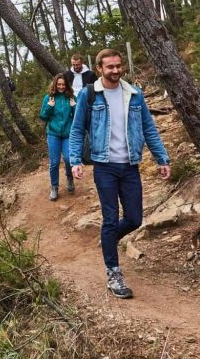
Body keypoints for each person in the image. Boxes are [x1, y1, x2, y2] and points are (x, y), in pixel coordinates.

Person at [69, 48, 170, 299]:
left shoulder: (134, 94)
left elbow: (148, 128)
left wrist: (161, 158)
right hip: (104, 166)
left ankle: (108, 241)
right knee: (111, 218)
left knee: (135, 219)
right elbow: (77, 129)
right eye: (109, 67)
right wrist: (74, 160)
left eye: (118, 66)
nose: (115, 70)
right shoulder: (89, 95)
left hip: (130, 165)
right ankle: (113, 272)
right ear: (100, 69)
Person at [39, 72, 76, 201]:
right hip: (53, 134)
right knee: (54, 163)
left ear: (67, 85)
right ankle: (54, 187)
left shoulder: (71, 97)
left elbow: (77, 117)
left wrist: (74, 107)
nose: (61, 87)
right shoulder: (48, 98)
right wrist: (49, 107)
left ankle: (69, 178)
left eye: (63, 85)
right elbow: (43, 116)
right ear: (55, 85)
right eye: (59, 84)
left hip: (67, 134)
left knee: (68, 159)